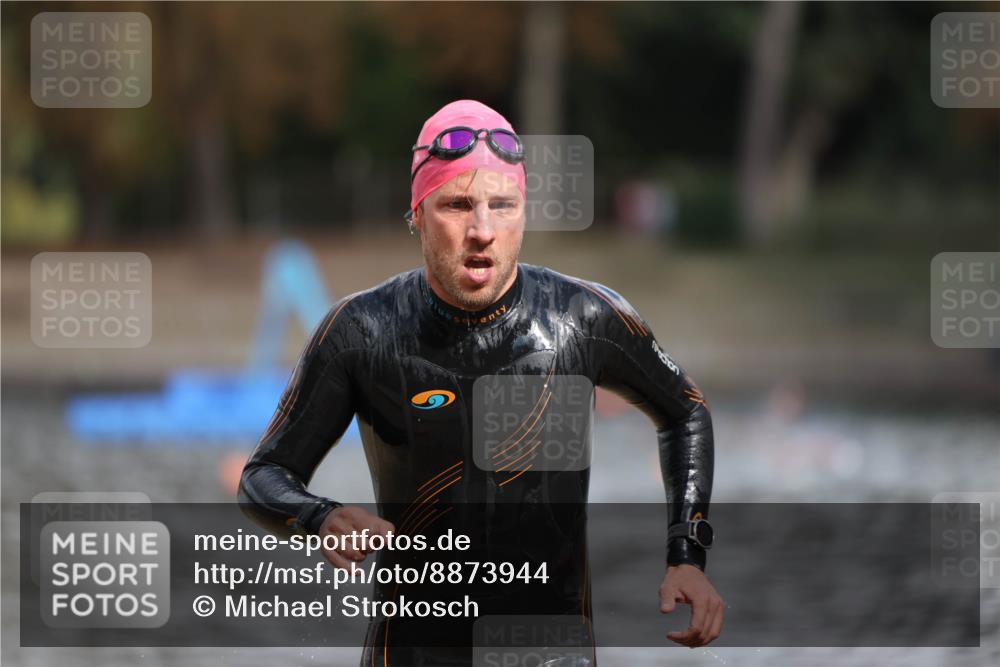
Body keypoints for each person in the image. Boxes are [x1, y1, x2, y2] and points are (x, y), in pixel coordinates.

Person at [239, 99, 723, 665]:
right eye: (458, 205)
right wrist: (318, 517)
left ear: (524, 211)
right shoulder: (361, 332)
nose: (483, 230)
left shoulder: (583, 320)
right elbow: (263, 477)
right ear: (417, 213)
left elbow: (685, 411)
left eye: (503, 204)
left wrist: (686, 554)